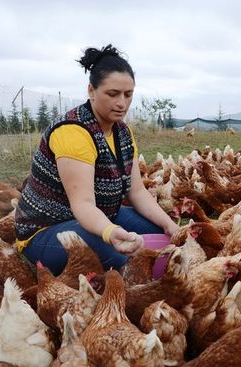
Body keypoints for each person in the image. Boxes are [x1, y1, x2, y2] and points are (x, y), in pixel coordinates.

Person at [15, 44, 178, 275]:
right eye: (113, 94)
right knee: (114, 252)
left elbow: (137, 192)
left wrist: (168, 224)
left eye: (128, 94)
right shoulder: (73, 131)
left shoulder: (122, 133)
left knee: (161, 234)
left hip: (99, 214)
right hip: (47, 229)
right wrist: (110, 232)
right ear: (91, 91)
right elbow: (83, 204)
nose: (122, 103)